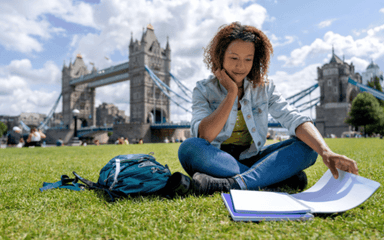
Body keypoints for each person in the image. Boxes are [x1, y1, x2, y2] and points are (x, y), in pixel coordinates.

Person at [178, 22, 359, 195]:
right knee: (189, 148)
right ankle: (273, 177)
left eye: (248, 59)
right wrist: (231, 93)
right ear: (220, 56)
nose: (241, 66)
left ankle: (235, 184)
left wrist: (326, 151)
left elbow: (293, 118)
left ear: (255, 60)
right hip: (216, 158)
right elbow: (205, 136)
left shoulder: (264, 88)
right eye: (234, 58)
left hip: (254, 157)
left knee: (309, 147)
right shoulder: (202, 89)